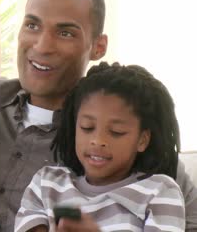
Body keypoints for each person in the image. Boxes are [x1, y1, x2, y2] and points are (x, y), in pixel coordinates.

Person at [0, 0, 197, 231]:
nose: (42, 45)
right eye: (32, 25)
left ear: (98, 47)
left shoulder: (148, 166)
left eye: (65, 33)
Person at [15, 62, 185, 231]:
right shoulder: (47, 184)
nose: (97, 140)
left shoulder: (159, 192)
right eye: (87, 127)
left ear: (142, 140)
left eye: (116, 132)